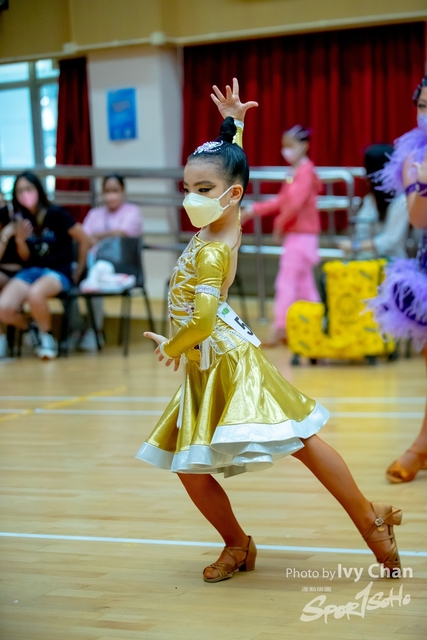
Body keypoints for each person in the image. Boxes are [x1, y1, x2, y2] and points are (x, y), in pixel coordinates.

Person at [137, 78, 402, 583]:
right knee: (190, 465)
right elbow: (230, 167)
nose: (192, 197)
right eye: (188, 189)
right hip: (205, 362)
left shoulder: (217, 244)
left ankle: (371, 519)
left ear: (231, 195)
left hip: (226, 357)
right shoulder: (222, 218)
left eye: (203, 190)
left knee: (300, 440)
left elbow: (204, 320)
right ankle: (238, 544)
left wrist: (173, 344)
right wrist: (233, 125)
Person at [369, 76, 427, 483]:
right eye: (422, 106)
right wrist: (422, 184)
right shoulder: (413, 158)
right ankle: (421, 445)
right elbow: (419, 219)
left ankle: (422, 445)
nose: (426, 114)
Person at [242, 125, 321, 346]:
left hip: (301, 237)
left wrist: (279, 224)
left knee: (287, 282)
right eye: (284, 145)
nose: (286, 150)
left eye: (291, 145)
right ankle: (311, 327)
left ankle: (280, 328)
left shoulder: (305, 173)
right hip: (301, 236)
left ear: (304, 146)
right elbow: (282, 200)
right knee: (304, 285)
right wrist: (253, 210)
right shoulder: (296, 172)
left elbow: (294, 204)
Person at [0, 172, 91, 360]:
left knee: (35, 294)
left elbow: (84, 239)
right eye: (20, 191)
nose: (25, 194)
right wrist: (20, 241)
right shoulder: (21, 219)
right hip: (32, 271)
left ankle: (46, 337)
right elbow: (25, 256)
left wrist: (80, 269)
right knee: (4, 308)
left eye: (28, 189)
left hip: (57, 272)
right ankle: (30, 328)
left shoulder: (57, 213)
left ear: (38, 190)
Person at [79, 175, 143, 350]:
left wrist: (97, 236)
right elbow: (83, 238)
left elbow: (122, 234)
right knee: (77, 276)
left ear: (123, 191)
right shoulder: (94, 214)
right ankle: (81, 329)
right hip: (91, 264)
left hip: (123, 267)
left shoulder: (132, 211)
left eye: (115, 191)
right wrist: (106, 236)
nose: (111, 195)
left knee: (96, 276)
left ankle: (96, 331)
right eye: (107, 191)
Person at [338, 145, 409, 260]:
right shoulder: (369, 199)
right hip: (365, 262)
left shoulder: (401, 201)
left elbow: (390, 241)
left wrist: (355, 246)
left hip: (391, 264)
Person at [0, 198, 25, 357]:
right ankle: (2, 337)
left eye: (2, 202)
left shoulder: (18, 222)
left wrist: (18, 238)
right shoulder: (5, 231)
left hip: (21, 274)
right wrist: (4, 236)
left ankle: (27, 327)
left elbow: (26, 256)